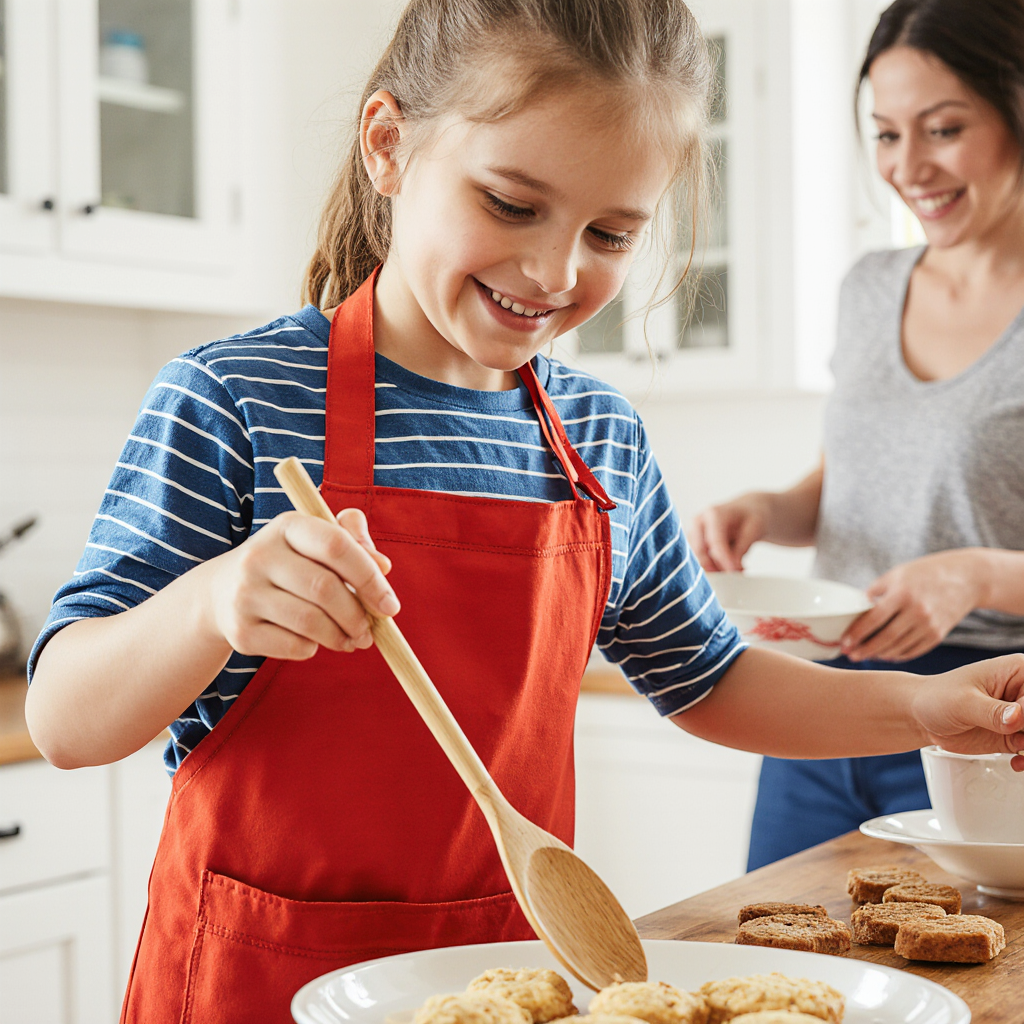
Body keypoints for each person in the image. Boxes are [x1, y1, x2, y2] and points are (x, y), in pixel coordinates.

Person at [24, 1, 1024, 1021]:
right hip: (255, 978)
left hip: (506, 979)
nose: (553, 272)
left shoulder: (599, 442)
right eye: (509, 203)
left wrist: (923, 706)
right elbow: (64, 716)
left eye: (609, 233)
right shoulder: (237, 397)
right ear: (389, 145)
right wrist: (212, 602)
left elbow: (710, 679)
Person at [691, 0, 1024, 872]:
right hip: (823, 696)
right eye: (884, 135)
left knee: (956, 984)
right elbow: (847, 481)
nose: (908, 167)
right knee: (777, 958)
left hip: (986, 714)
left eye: (943, 129)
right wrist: (768, 510)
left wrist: (977, 574)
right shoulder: (870, 287)